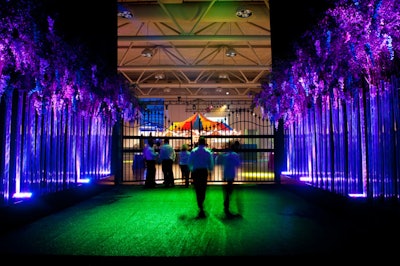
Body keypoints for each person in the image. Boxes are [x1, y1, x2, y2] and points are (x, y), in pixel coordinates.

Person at [188, 136, 214, 218]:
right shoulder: (208, 152)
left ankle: (200, 205)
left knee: (197, 189)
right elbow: (210, 163)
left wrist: (192, 170)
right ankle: (201, 204)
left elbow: (189, 162)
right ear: (205, 142)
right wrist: (210, 170)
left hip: (196, 172)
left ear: (198, 142)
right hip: (203, 171)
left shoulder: (193, 151)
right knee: (203, 189)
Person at [216, 141, 241, 218]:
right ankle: (227, 206)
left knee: (226, 191)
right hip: (231, 175)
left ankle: (226, 205)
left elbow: (217, 162)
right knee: (229, 191)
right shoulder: (235, 155)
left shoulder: (225, 155)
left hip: (225, 175)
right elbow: (238, 165)